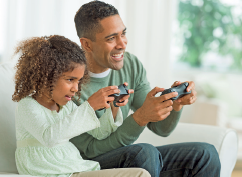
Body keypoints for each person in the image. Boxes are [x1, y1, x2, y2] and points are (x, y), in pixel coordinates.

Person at [71, 1, 221, 177]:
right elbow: (89, 151)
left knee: (204, 154)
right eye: (111, 38)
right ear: (87, 45)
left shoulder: (131, 65)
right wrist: (139, 118)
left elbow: (161, 129)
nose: (122, 44)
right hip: (86, 163)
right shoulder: (68, 81)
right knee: (143, 153)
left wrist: (175, 104)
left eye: (123, 34)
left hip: (128, 158)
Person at [12, 35, 150, 177]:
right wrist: (89, 106)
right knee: (140, 174)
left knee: (142, 173)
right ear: (46, 76)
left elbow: (99, 133)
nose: (76, 88)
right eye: (70, 80)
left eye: (78, 81)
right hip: (53, 172)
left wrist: (114, 107)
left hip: (74, 168)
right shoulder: (27, 105)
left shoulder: (66, 107)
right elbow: (49, 138)